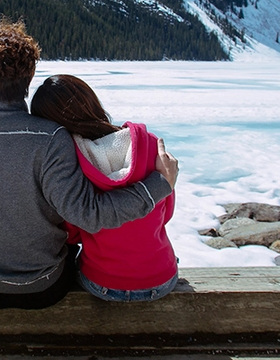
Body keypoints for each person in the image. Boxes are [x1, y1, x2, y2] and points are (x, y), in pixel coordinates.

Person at [0, 21, 178, 309]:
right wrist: (159, 185)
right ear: (29, 76)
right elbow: (89, 215)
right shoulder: (51, 137)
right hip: (41, 287)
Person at [30, 75, 178, 302]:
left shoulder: (70, 164)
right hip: (161, 278)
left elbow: (73, 231)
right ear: (91, 101)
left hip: (103, 283)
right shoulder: (150, 144)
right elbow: (166, 211)